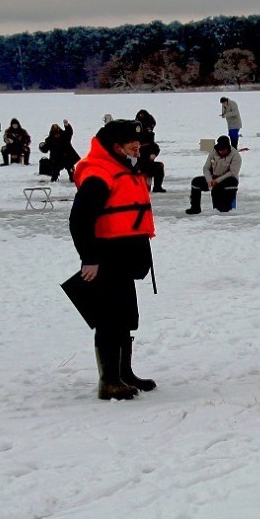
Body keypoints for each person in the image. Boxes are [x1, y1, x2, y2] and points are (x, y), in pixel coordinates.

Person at [68, 119, 157, 401]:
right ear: (116, 146)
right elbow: (79, 220)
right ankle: (109, 381)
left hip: (125, 257)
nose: (137, 145)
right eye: (131, 141)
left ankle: (123, 373)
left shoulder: (124, 167)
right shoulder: (99, 174)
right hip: (107, 258)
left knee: (126, 317)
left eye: (138, 141)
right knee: (109, 319)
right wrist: (89, 258)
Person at [187, 135, 241, 214]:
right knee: (196, 182)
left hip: (228, 179)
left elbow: (232, 172)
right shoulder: (213, 152)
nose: (221, 151)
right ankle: (195, 208)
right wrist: (210, 180)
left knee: (226, 184)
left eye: (223, 150)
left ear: (228, 148)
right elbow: (206, 168)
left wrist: (217, 181)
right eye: (220, 150)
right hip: (213, 178)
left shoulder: (235, 155)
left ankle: (225, 208)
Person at [134, 109, 166, 192]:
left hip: (146, 163)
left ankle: (157, 187)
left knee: (159, 166)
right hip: (135, 165)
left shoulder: (149, 136)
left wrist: (153, 154)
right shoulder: (134, 136)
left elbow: (154, 147)